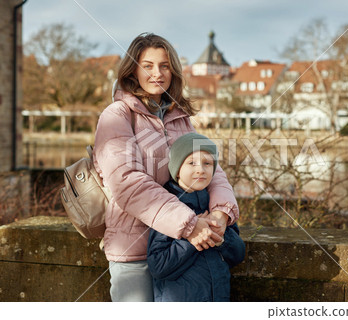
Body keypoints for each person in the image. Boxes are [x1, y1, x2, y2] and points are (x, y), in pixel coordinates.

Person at [93, 33, 239, 302]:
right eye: (147, 65)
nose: (157, 73)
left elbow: (213, 172)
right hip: (134, 247)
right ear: (132, 70)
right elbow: (127, 183)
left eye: (165, 65)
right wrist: (189, 224)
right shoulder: (116, 116)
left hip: (180, 250)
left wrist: (221, 214)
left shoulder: (180, 118)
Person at [147, 133, 246, 302]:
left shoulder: (216, 207)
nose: (200, 169)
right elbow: (159, 266)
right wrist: (192, 239)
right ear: (177, 169)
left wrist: (220, 237)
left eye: (207, 163)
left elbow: (238, 254)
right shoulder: (169, 207)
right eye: (192, 163)